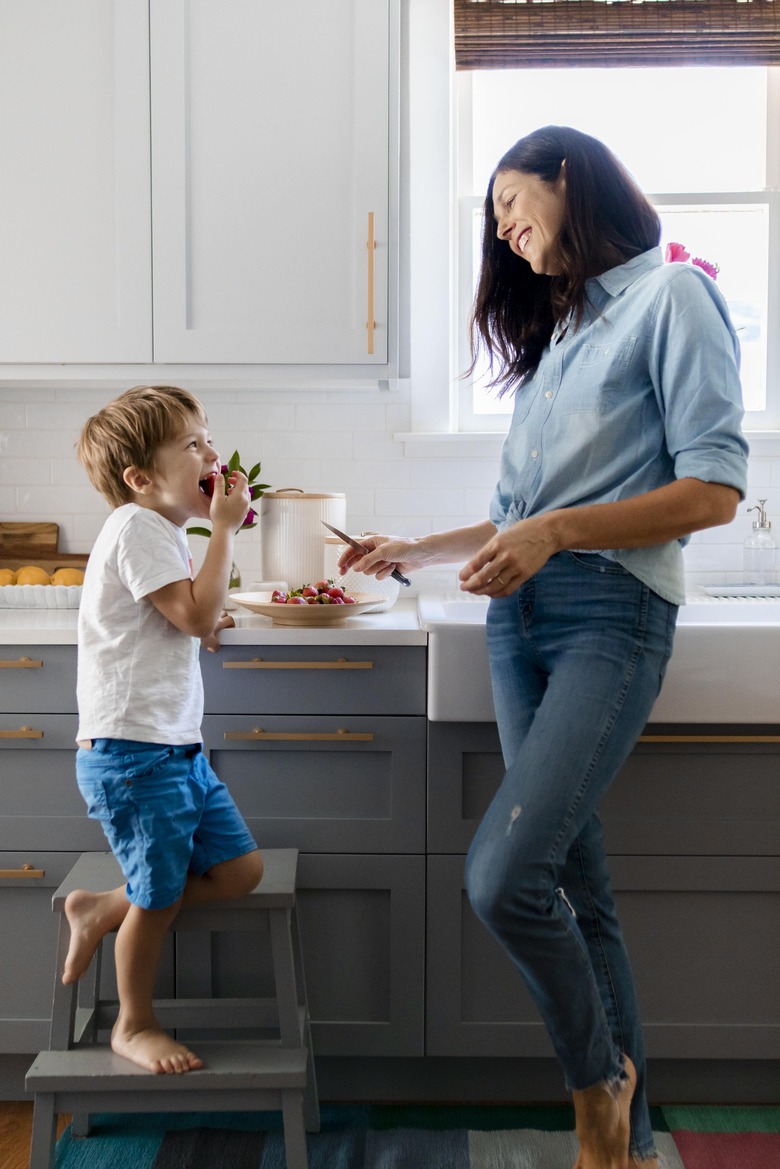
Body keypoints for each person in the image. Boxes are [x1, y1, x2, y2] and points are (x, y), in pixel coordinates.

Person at [339, 127, 748, 1167]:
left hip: (610, 616)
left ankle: (598, 1086)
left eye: (513, 204)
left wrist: (556, 531)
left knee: (504, 875)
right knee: (575, 883)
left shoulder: (676, 297)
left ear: (569, 174)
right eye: (498, 225)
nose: (509, 236)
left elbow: (713, 492)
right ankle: (624, 1146)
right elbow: (524, 514)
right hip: (519, 623)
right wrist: (417, 549)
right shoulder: (565, 338)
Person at [64, 384, 264, 1075]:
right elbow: (191, 614)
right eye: (192, 444)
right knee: (161, 894)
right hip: (134, 757)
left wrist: (202, 617)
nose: (211, 452)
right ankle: (133, 1022)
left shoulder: (163, 530)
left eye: (208, 437)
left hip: (172, 751)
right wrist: (227, 530)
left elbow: (180, 614)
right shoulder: (138, 526)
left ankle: (101, 908)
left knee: (242, 870)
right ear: (141, 478)